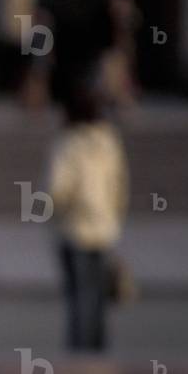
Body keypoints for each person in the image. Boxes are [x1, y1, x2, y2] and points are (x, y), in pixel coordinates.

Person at [47, 77, 129, 352]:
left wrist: (52, 211)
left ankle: (80, 353)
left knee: (79, 295)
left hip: (75, 227)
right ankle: (98, 348)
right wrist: (115, 215)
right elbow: (119, 184)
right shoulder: (108, 141)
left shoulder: (69, 143)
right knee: (98, 296)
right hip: (104, 227)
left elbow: (58, 187)